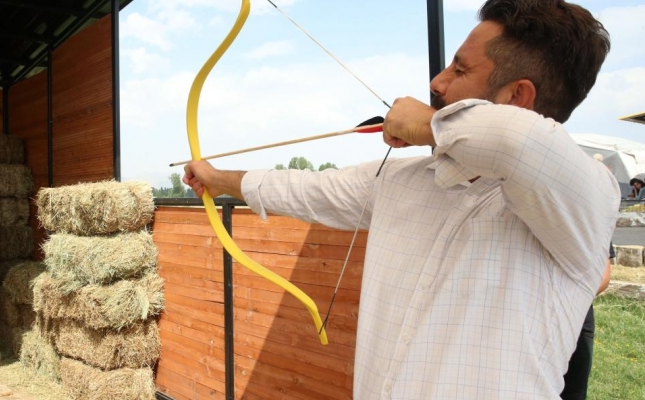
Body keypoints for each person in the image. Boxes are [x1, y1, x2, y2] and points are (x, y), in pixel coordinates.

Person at [183, 0, 619, 398]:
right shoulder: (404, 179)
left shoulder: (587, 197)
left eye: (460, 70)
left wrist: (428, 123)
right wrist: (219, 178)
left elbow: (522, 143)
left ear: (516, 97)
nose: (438, 81)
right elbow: (305, 189)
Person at [561, 245, 613, 400]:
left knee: (574, 391)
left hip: (579, 319)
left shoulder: (592, 223)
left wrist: (570, 300)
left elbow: (604, 277)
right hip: (535, 318)